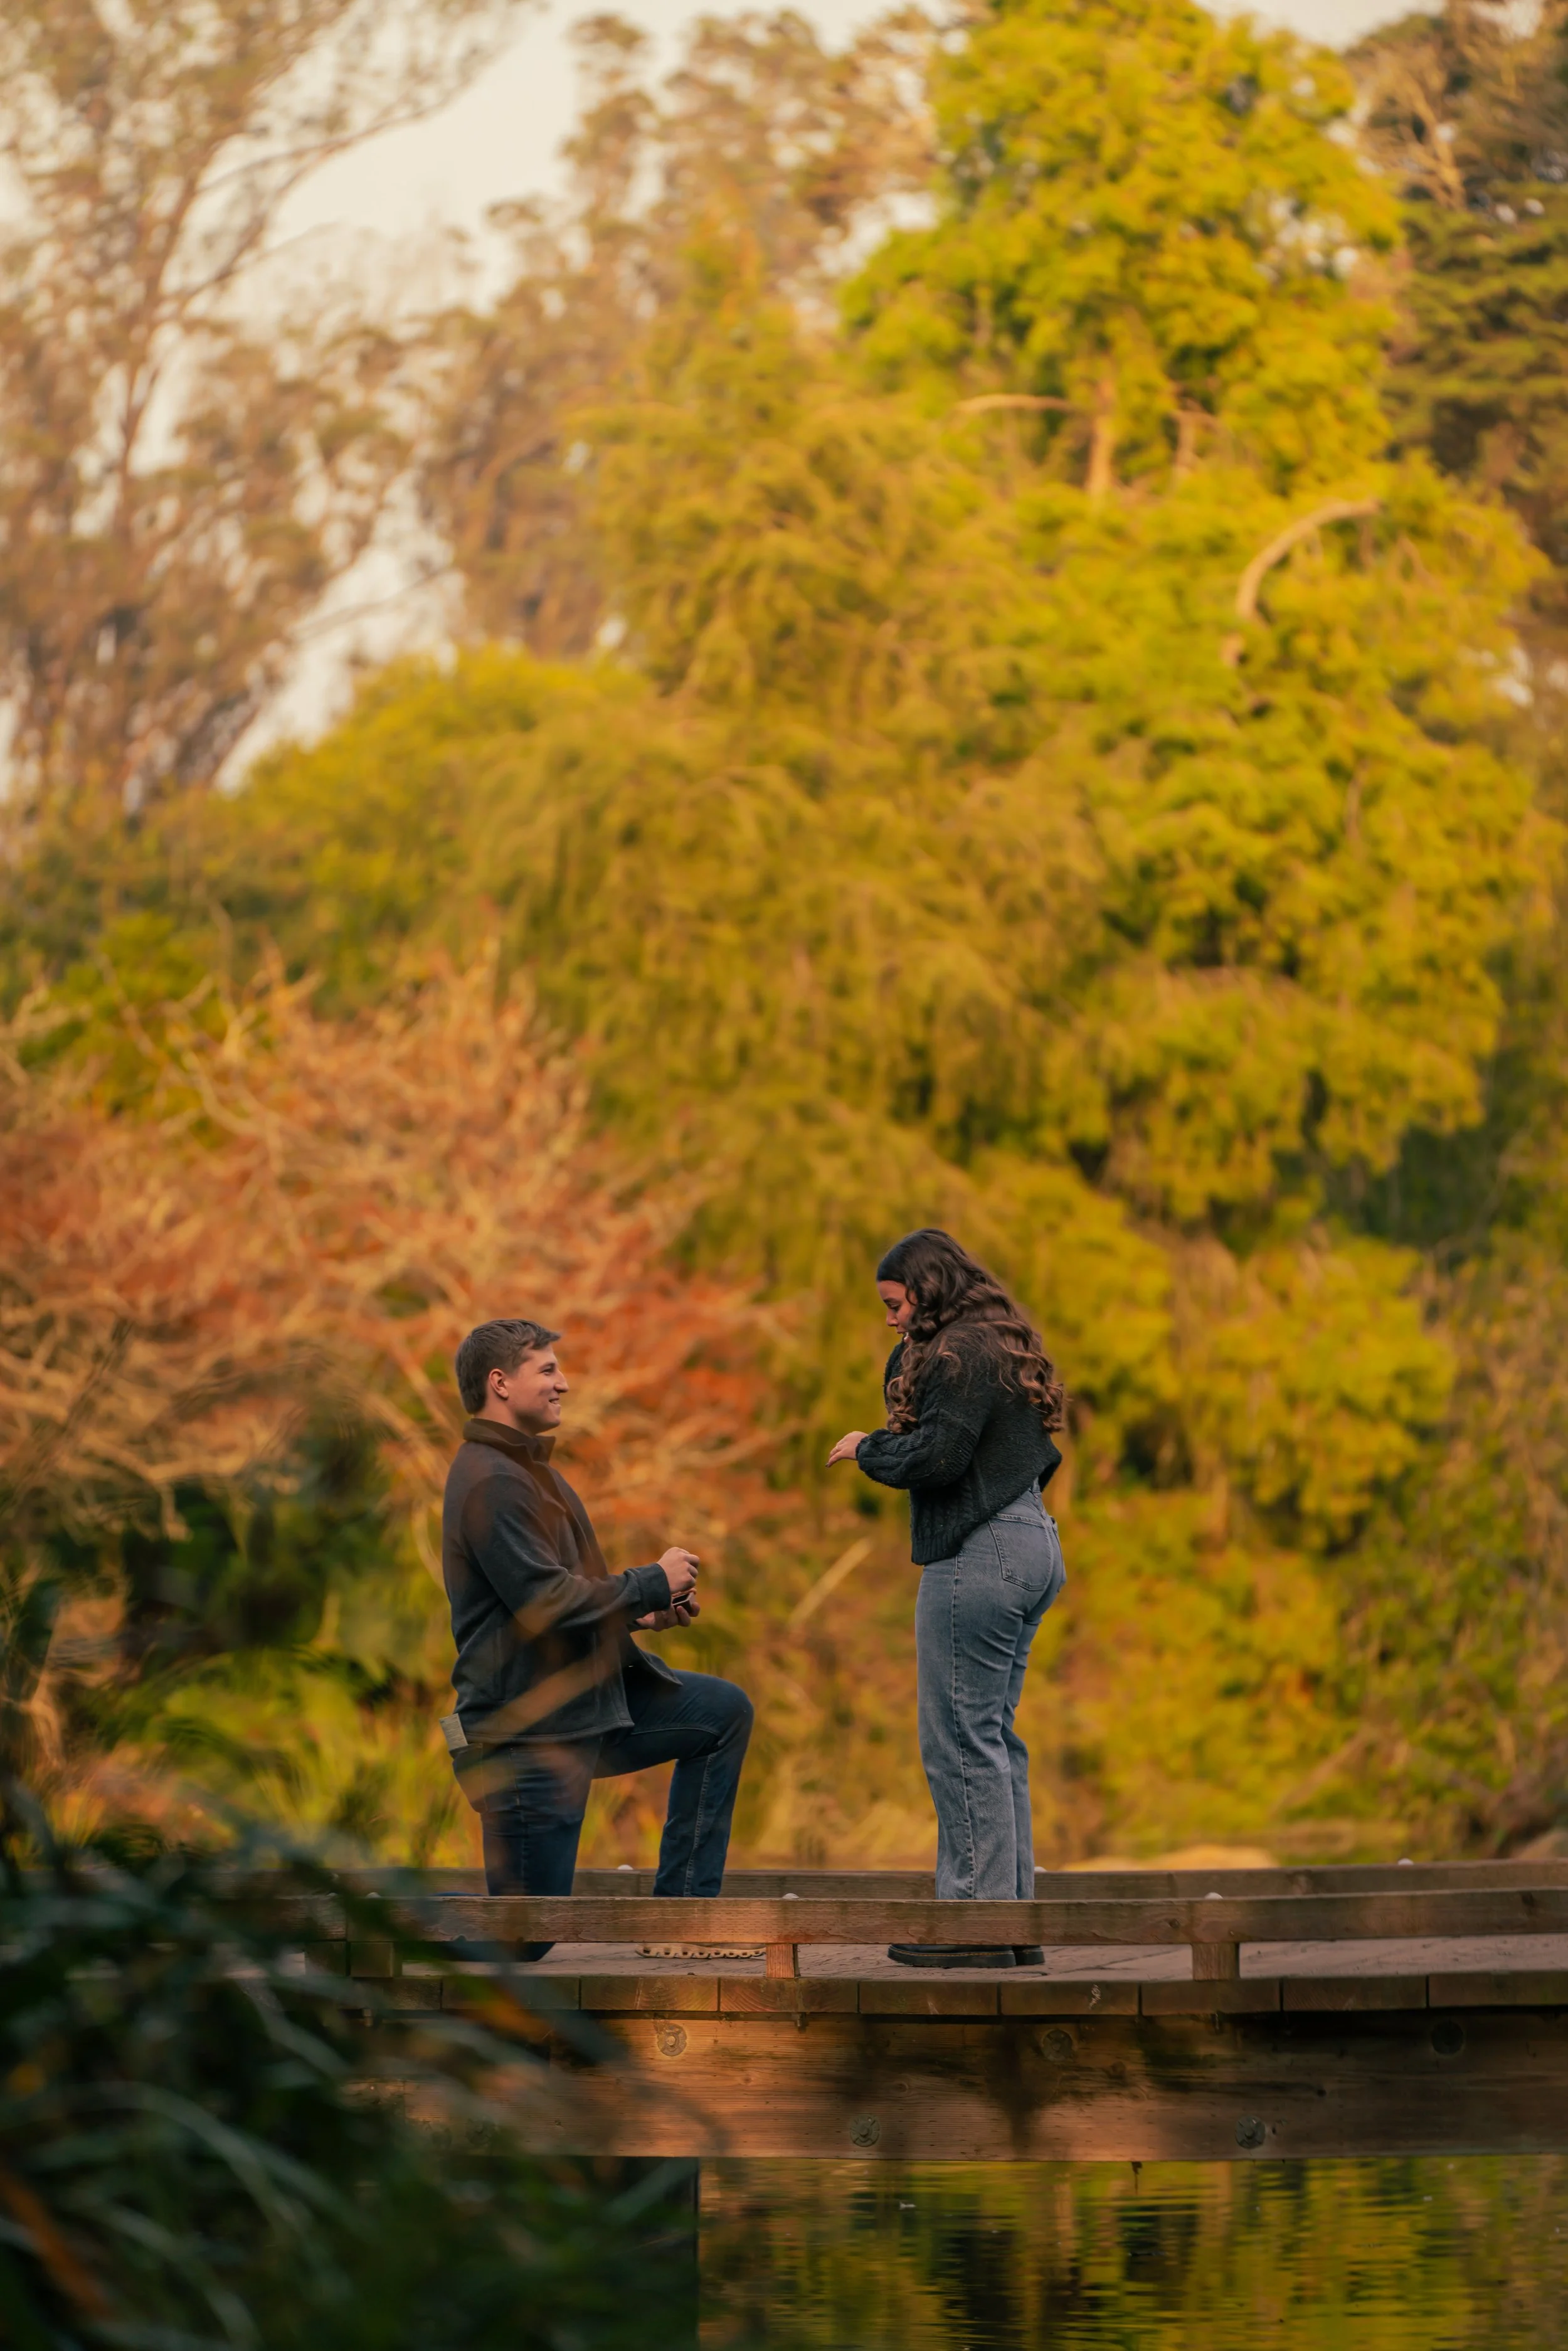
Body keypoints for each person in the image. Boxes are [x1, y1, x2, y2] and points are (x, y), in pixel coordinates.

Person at [441, 1316, 753, 1956]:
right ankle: (361, 1924)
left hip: (585, 1707)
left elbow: (557, 1593)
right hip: (526, 1732)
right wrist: (648, 1581)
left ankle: (683, 1925)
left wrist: (642, 1614)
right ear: (500, 1383)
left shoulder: (532, 1473)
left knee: (720, 1713)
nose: (565, 1382)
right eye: (548, 1369)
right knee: (524, 1940)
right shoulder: (492, 1480)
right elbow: (543, 1602)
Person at [828, 1229, 1066, 1970]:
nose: (891, 1319)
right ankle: (1010, 1920)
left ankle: (972, 1920)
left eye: (896, 1304)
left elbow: (937, 1455)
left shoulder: (960, 1352)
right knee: (993, 1738)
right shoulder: (993, 1341)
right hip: (1030, 1538)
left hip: (982, 1549)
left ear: (926, 1292)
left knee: (957, 1739)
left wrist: (867, 1448)